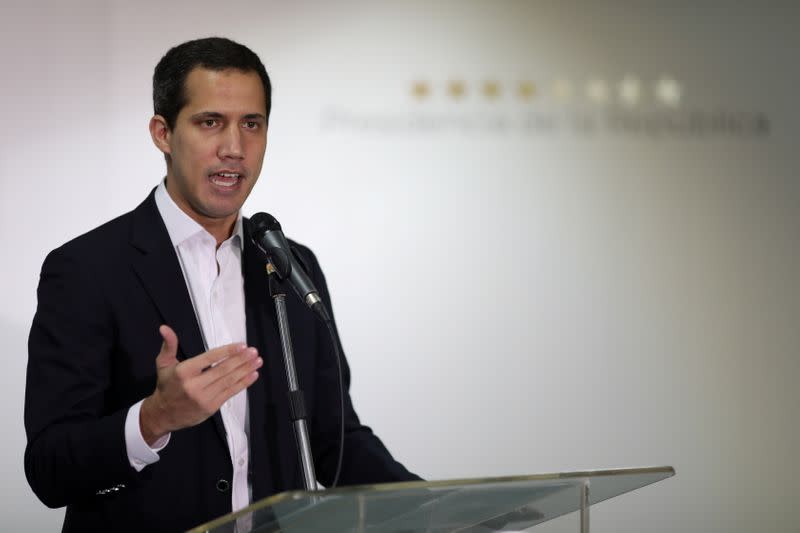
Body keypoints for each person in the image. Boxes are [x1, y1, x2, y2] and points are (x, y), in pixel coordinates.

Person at [24, 37, 418, 532]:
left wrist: (434, 507)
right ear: (163, 133)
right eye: (210, 122)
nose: (234, 148)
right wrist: (153, 419)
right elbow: (48, 468)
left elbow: (334, 437)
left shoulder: (291, 265)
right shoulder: (86, 268)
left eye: (251, 124)